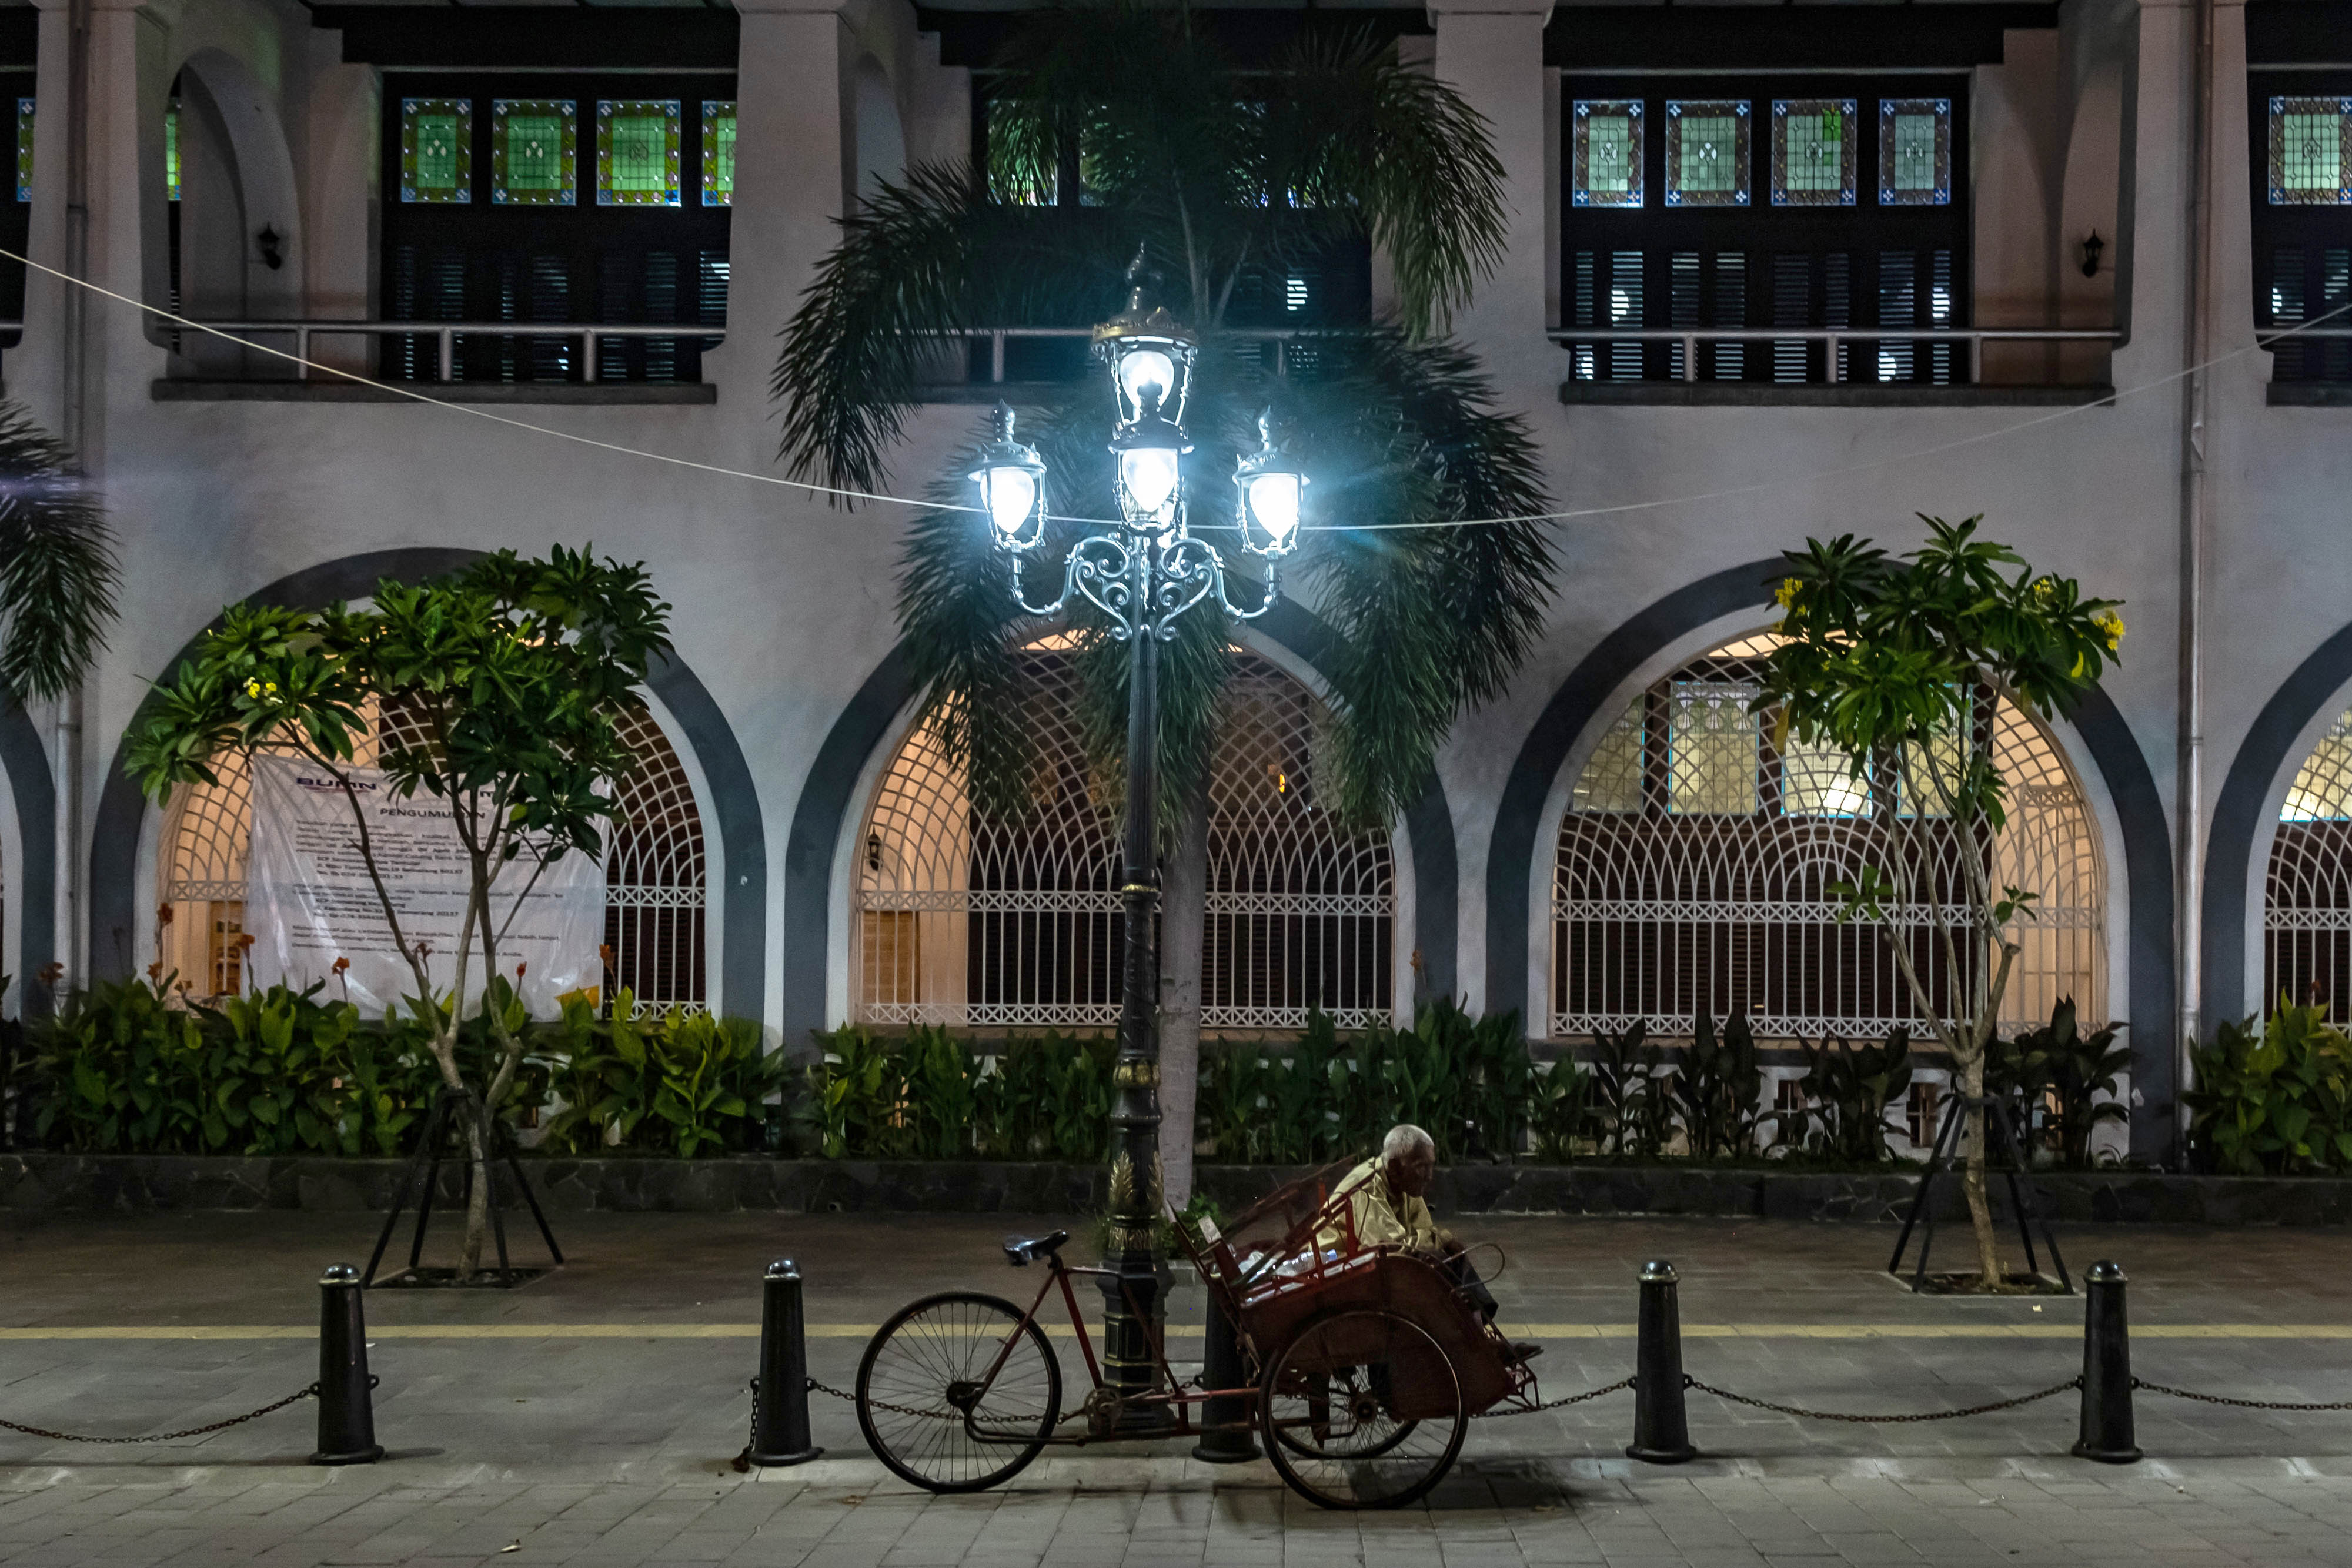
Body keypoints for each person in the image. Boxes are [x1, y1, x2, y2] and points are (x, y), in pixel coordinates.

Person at [1322, 1125, 1540, 1363]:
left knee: (1450, 1255)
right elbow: (1394, 1245)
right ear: (1396, 1166)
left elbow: (1424, 1231)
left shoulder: (1401, 1183)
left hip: (1373, 1260)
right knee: (1435, 1257)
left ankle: (1477, 1336)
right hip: (1339, 1265)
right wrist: (1441, 1240)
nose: (1429, 1175)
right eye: (1421, 1167)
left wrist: (1444, 1241)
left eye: (1431, 1165)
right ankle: (1474, 1341)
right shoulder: (1367, 1188)